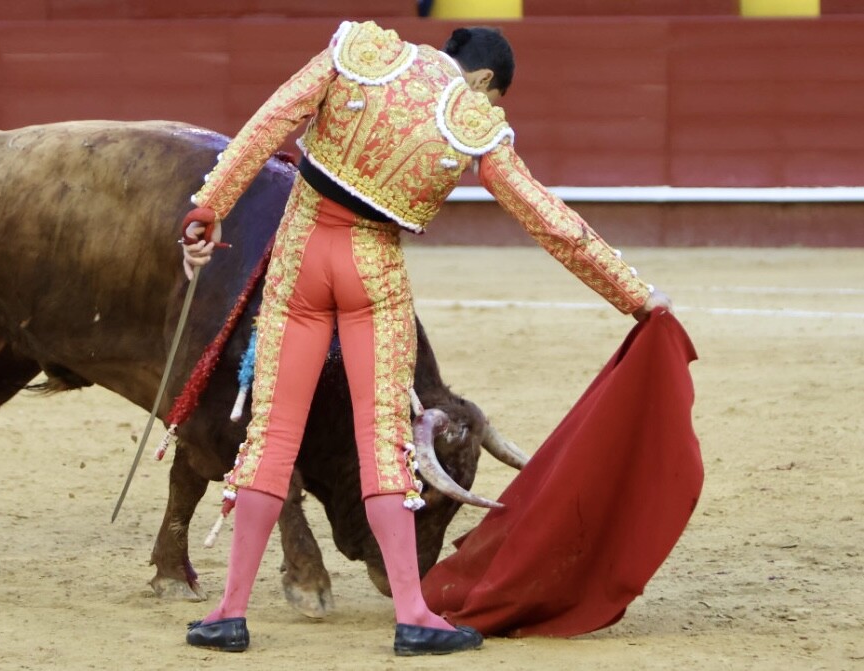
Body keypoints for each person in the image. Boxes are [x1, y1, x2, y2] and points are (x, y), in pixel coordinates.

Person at [179, 20, 672, 656]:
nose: (489, 108)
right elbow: (549, 220)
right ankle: (412, 615)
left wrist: (207, 209)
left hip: (301, 255)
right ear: (486, 79)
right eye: (494, 97)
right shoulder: (472, 118)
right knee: (384, 439)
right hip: (371, 269)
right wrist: (633, 293)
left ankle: (229, 612)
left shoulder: (360, 52)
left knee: (273, 435)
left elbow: (270, 123)